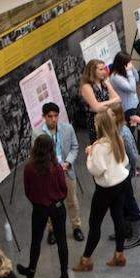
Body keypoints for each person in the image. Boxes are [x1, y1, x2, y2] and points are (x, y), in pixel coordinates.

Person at [73, 109, 130, 272]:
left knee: (94, 223)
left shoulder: (98, 146)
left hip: (106, 188)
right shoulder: (117, 139)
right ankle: (120, 254)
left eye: (96, 122)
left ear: (100, 125)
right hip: (122, 181)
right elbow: (124, 160)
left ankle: (86, 259)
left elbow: (96, 169)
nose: (94, 124)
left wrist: (89, 154)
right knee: (118, 216)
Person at [18, 133, 70, 278]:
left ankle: (31, 272)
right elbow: (63, 188)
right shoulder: (57, 167)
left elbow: (27, 190)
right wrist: (58, 198)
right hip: (57, 207)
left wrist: (36, 201)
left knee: (36, 240)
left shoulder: (29, 168)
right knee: (61, 240)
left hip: (39, 208)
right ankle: (64, 274)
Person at [37, 102, 84, 241]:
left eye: (56, 116)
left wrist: (68, 162)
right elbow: (36, 155)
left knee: (72, 201)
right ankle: (52, 230)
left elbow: (75, 147)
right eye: (50, 116)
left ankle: (76, 227)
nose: (53, 119)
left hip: (66, 171)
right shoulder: (37, 133)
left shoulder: (67, 129)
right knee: (50, 204)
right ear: (44, 117)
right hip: (49, 175)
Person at [109, 104, 140, 251]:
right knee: (121, 203)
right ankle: (124, 230)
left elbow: (133, 154)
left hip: (125, 173)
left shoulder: (124, 132)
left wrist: (133, 169)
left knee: (129, 201)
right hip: (117, 174)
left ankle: (136, 236)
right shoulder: (112, 130)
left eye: (110, 114)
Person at [79, 57, 120, 140]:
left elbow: (118, 99)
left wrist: (104, 104)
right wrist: (109, 103)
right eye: (101, 69)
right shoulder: (87, 86)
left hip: (108, 118)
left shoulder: (104, 82)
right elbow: (96, 107)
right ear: (93, 71)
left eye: (104, 69)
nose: (104, 72)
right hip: (96, 122)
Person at [108, 52, 139, 117]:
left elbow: (137, 78)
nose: (131, 64)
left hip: (134, 103)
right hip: (127, 108)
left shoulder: (125, 71)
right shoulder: (116, 77)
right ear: (123, 64)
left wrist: (132, 68)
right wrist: (129, 71)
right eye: (129, 62)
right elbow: (132, 89)